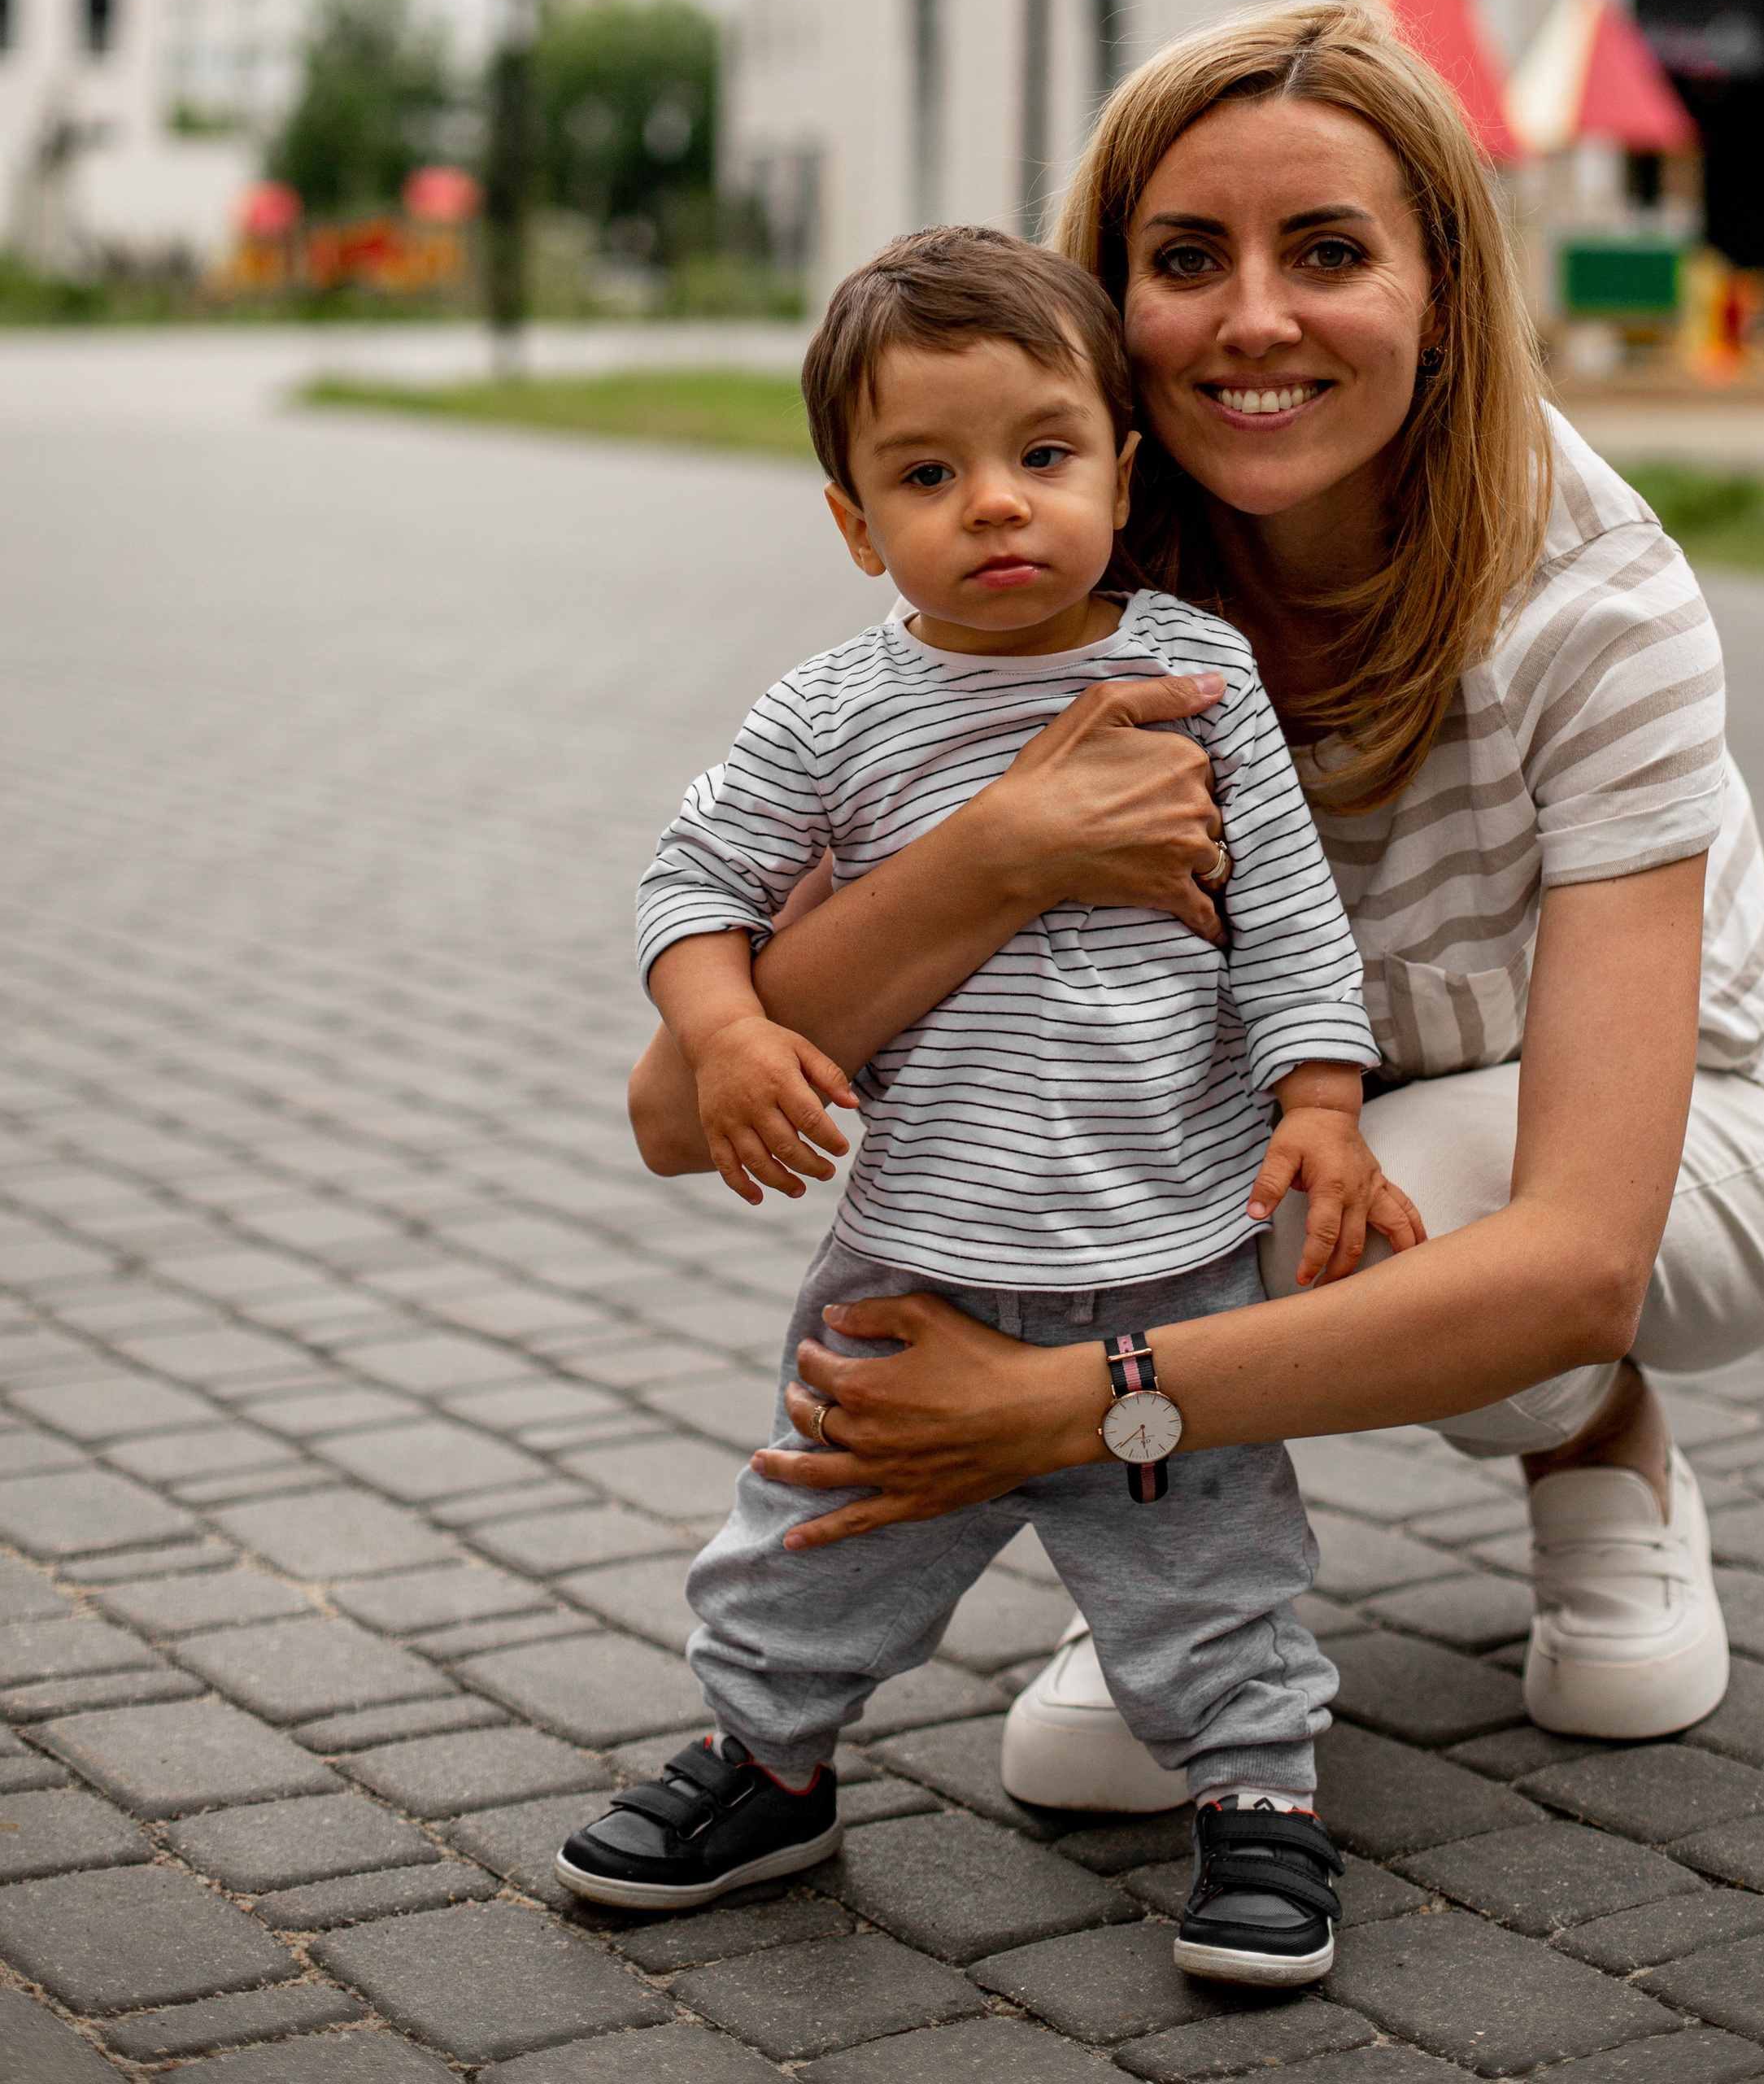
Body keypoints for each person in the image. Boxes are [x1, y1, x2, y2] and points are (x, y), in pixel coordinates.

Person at [617, 0, 1764, 1814]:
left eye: (1330, 252)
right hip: (1313, 1140)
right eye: (1186, 257)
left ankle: (1583, 1440)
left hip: (1687, 1147)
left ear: (1440, 291)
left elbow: (1586, 1242)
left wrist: (1069, 1412)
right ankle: (1170, 1582)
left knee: (1345, 1209)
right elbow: (674, 1108)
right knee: (1253, 1190)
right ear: (1106, 307)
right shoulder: (1045, 565)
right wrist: (1004, 850)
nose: (1256, 319)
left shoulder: (1595, 605)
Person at [555, 224, 1400, 1986]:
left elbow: (1291, 915)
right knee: (813, 1529)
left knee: (1213, 1560)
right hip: (918, 1250)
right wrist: (722, 1032)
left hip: (1167, 1245)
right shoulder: (831, 711)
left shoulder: (1193, 676)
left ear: (1120, 463)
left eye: (1040, 455)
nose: (995, 508)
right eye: (926, 475)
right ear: (857, 524)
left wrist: (1318, 1101)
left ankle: (1256, 1799)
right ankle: (767, 1763)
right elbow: (688, 880)